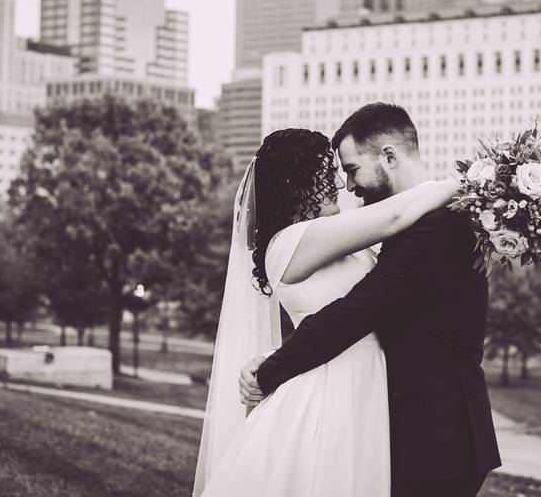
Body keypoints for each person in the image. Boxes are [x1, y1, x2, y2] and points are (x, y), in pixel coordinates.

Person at [193, 120, 471, 496]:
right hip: (327, 394)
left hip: (361, 385)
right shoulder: (289, 242)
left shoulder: (335, 242)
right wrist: (469, 186)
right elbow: (393, 216)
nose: (341, 184)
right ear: (297, 184)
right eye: (328, 174)